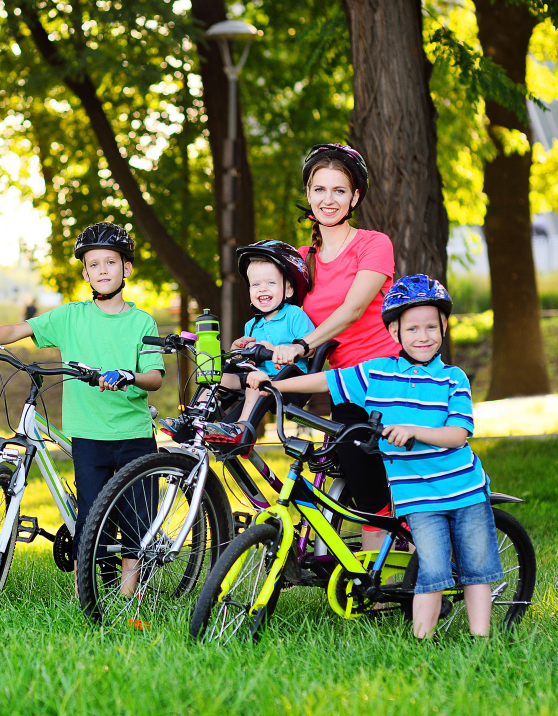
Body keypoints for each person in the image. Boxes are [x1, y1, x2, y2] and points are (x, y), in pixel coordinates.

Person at [248, 275, 502, 638]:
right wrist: (275, 385)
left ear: (444, 327)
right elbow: (325, 380)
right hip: (418, 498)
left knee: (478, 569)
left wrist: (415, 432)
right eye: (412, 328)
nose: (423, 335)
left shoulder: (453, 378)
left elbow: (457, 434)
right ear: (395, 333)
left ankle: (482, 640)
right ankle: (421, 641)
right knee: (430, 572)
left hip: (465, 489)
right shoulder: (378, 373)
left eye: (432, 326)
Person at [0, 222, 164, 595]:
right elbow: (17, 330)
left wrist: (128, 375)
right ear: (85, 272)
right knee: (91, 523)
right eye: (93, 264)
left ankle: (130, 607)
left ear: (126, 269)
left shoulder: (140, 321)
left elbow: (154, 377)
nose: (102, 270)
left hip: (133, 435)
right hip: (89, 435)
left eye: (110, 262)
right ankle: (97, 594)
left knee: (135, 523)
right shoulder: (71, 317)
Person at [266, 143, 399, 550]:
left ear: (355, 196)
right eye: (319, 189)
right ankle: (366, 569)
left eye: (339, 190)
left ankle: (393, 582)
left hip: (385, 376)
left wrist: (303, 344)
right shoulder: (302, 259)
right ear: (308, 195)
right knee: (356, 483)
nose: (328, 199)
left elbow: (354, 308)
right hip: (340, 383)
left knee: (373, 487)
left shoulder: (373, 244)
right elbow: (286, 318)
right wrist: (260, 338)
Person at [189, 240, 314, 450]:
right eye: (255, 284)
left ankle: (240, 428)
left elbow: (312, 347)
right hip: (256, 377)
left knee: (253, 381)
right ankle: (195, 419)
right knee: (216, 377)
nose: (262, 289)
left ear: (289, 289)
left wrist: (279, 351)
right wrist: (238, 350)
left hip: (291, 381)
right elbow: (246, 360)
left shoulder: (294, 315)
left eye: (270, 283)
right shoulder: (252, 324)